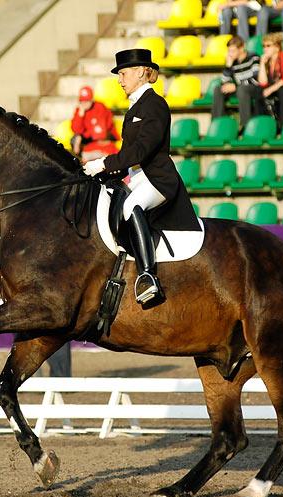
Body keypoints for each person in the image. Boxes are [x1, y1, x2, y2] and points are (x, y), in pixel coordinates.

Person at [83, 49, 200, 308]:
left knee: (130, 206)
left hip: (158, 180)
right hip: (136, 177)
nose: (120, 79)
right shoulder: (134, 107)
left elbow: (141, 151)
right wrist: (104, 173)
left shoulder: (155, 105)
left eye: (123, 74)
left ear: (140, 72)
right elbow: (128, 156)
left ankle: (148, 276)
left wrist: (103, 162)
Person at [211, 36, 264, 128]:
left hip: (254, 89)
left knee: (242, 89)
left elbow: (256, 80)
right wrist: (228, 66)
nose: (230, 54)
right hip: (241, 88)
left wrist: (236, 86)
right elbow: (224, 82)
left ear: (242, 48)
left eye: (233, 51)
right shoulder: (233, 61)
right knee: (218, 89)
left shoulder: (254, 58)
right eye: (229, 51)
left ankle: (246, 125)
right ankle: (217, 125)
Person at [70, 86, 120, 163]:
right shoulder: (79, 110)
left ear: (91, 100)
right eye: (82, 101)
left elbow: (100, 134)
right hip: (91, 146)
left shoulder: (100, 107)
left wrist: (82, 136)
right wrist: (80, 115)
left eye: (87, 101)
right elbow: (75, 129)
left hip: (105, 144)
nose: (84, 103)